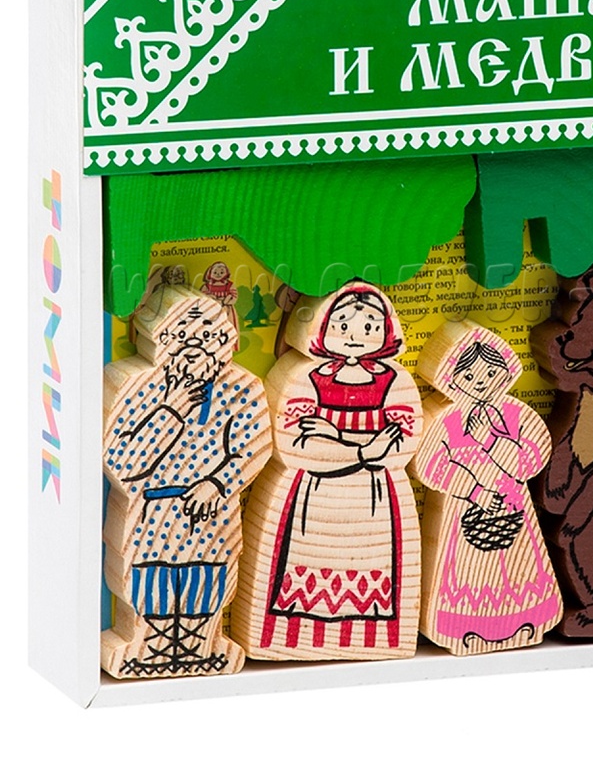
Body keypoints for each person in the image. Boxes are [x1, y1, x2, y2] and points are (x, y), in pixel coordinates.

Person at [233, 283, 421, 660]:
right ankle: (293, 639)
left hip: (376, 500)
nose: (355, 336)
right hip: (312, 497)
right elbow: (296, 446)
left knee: (374, 569)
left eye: (370, 327)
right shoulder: (304, 378)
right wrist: (365, 449)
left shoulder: (395, 381)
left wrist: (337, 436)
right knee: (301, 570)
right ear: (319, 327)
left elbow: (402, 444)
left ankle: (368, 640)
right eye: (343, 325)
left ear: (387, 329)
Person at [101, 288, 271, 678]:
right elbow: (123, 461)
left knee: (208, 578)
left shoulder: (243, 388)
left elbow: (252, 447)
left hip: (213, 509)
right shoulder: (136, 386)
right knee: (150, 581)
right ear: (156, 339)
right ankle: (148, 647)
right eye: (181, 336)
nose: (194, 348)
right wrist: (172, 409)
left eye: (208, 336)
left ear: (227, 339)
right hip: (151, 510)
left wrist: (217, 483)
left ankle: (204, 646)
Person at [412, 324, 562, 654]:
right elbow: (431, 465)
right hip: (463, 511)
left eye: (491, 373)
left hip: (513, 506)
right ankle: (465, 625)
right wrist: (476, 492)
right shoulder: (447, 419)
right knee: (468, 574)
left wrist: (500, 441)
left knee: (518, 567)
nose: (481, 382)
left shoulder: (515, 414)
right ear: (451, 380)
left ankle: (526, 618)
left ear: (506, 372)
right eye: (469, 376)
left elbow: (534, 456)